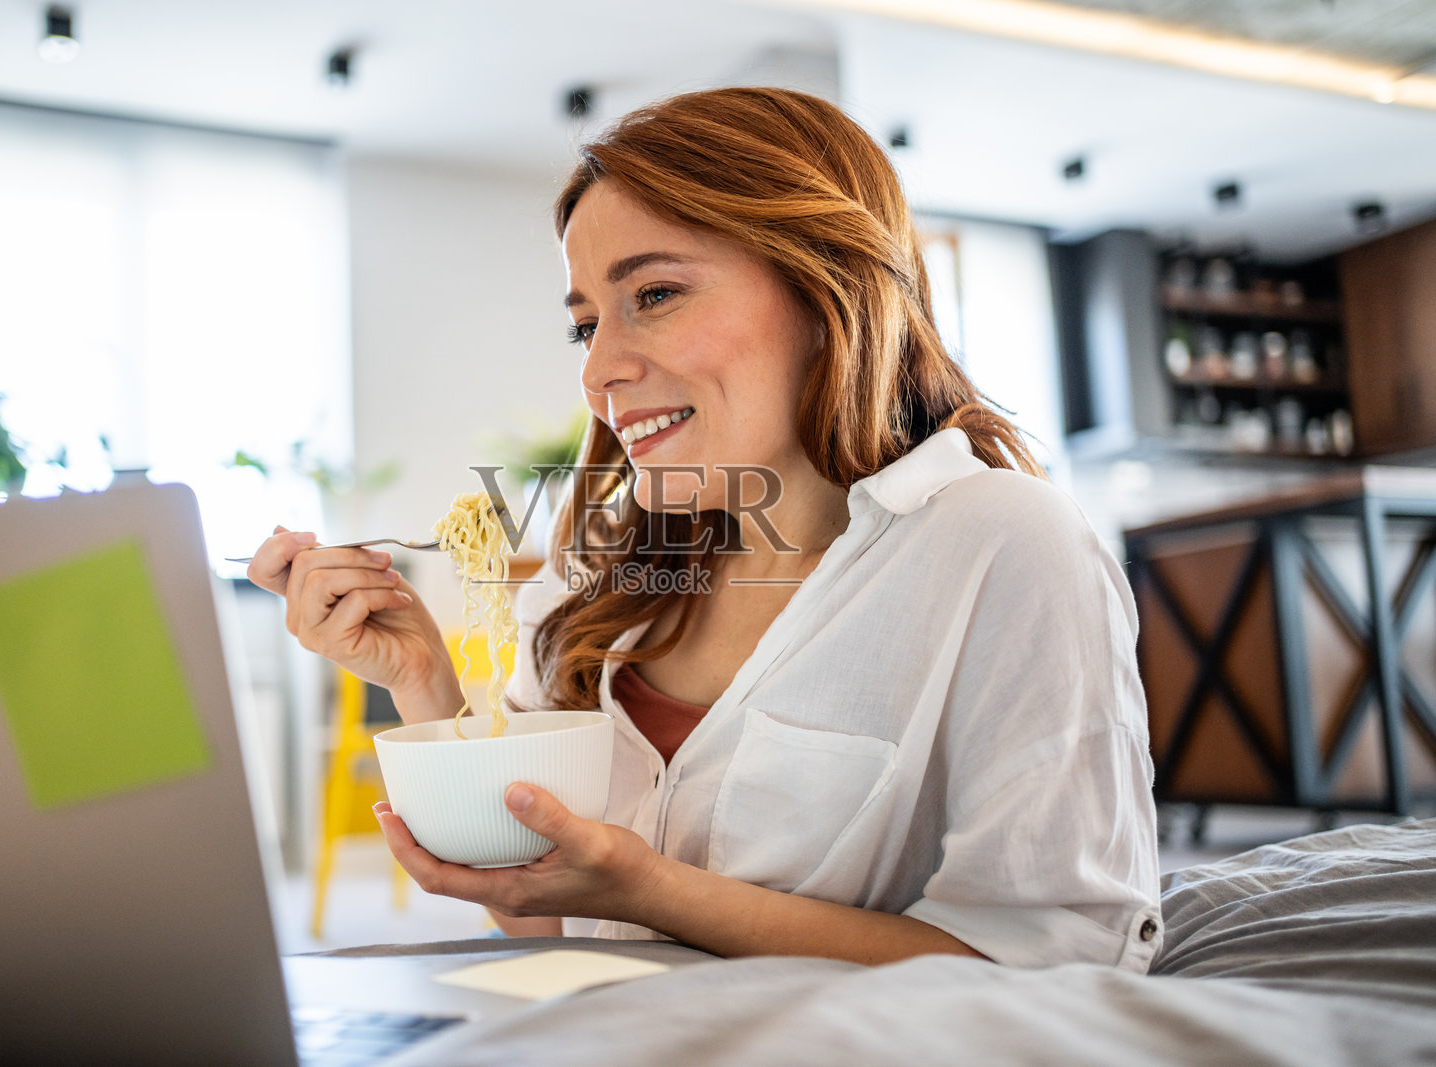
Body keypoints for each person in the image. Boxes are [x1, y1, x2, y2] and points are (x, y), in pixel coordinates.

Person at [246, 87, 1161, 971]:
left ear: (826, 286)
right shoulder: (596, 574)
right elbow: (540, 909)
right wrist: (420, 677)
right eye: (585, 326)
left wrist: (652, 890)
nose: (598, 371)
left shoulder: (1006, 545)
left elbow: (1059, 966)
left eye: (654, 294)